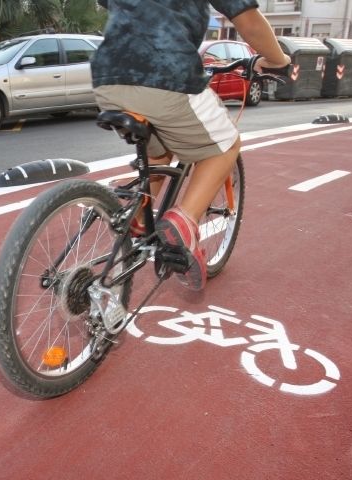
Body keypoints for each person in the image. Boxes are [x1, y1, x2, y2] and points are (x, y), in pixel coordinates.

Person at [92, 0, 291, 291]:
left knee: (159, 149)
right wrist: (277, 59)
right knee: (225, 145)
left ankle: (136, 217)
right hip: (166, 74)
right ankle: (184, 223)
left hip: (106, 77)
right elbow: (248, 20)